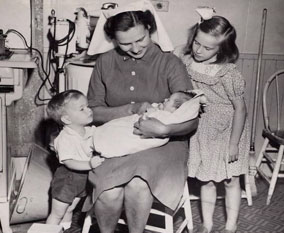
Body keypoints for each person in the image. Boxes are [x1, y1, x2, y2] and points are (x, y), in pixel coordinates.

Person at [83, 1, 198, 232]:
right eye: (125, 44)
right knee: (109, 191)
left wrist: (163, 130)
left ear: (149, 28)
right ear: (114, 40)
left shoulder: (170, 63)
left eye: (141, 39)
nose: (135, 48)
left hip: (164, 144)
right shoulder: (105, 63)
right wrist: (130, 109)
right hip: (117, 140)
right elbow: (92, 111)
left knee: (138, 185)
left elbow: (191, 117)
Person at [175, 7, 250, 233]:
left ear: (223, 48)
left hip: (229, 130)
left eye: (207, 47)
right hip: (203, 128)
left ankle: (230, 225)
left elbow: (241, 110)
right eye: (197, 43)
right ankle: (207, 225)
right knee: (206, 179)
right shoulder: (188, 62)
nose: (199, 50)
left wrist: (234, 143)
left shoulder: (228, 73)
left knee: (231, 180)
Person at [45, 89, 105, 230]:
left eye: (87, 106)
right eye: (82, 109)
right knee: (57, 214)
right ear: (66, 119)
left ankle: (66, 230)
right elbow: (69, 162)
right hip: (67, 180)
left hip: (83, 179)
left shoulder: (89, 130)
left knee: (70, 209)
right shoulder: (64, 138)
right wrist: (89, 164)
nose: (89, 110)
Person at [94, 91, 205, 158]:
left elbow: (193, 120)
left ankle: (102, 143)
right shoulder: (163, 111)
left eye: (168, 100)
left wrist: (164, 129)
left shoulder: (167, 118)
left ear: (176, 109)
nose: (165, 99)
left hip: (152, 146)